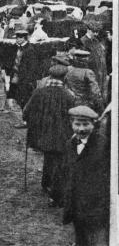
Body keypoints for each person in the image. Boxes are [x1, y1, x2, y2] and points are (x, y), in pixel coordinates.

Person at [62, 106, 110, 246]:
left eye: (85, 124)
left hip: (98, 210)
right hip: (78, 210)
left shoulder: (103, 145)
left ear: (94, 124)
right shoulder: (70, 144)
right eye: (77, 124)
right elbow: (68, 175)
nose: (81, 129)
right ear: (71, 124)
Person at [22, 64, 75, 207]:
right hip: (61, 136)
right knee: (59, 162)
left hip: (42, 135)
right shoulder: (69, 95)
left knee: (49, 156)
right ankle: (55, 194)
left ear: (50, 76)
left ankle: (46, 184)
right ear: (64, 78)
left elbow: (25, 112)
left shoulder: (39, 92)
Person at [65, 49, 103, 113]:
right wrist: (100, 106)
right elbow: (95, 92)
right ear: (86, 60)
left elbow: (65, 85)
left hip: (70, 101)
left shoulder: (68, 69)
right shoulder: (88, 72)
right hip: (85, 103)